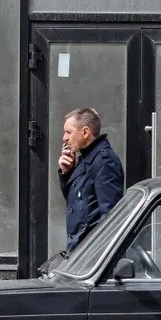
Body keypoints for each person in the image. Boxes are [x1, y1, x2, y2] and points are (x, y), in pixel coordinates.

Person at [58, 107, 125, 252]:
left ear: (85, 132)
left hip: (90, 255)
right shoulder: (86, 159)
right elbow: (75, 204)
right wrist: (66, 173)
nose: (64, 138)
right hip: (79, 253)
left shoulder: (104, 162)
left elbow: (111, 218)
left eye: (68, 132)